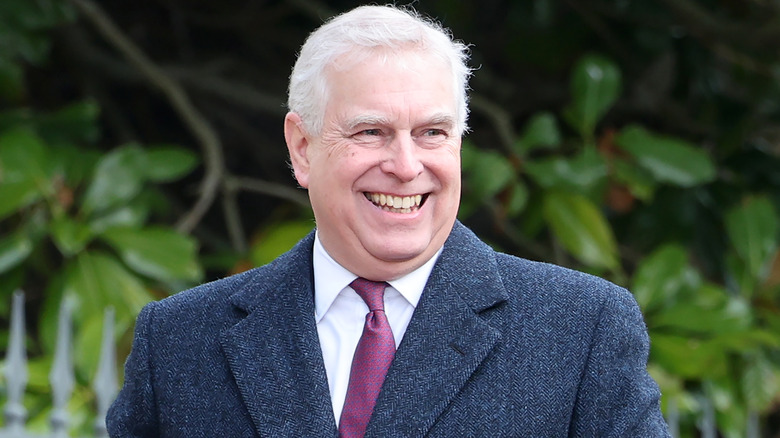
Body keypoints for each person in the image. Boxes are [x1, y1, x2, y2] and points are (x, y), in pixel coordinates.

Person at [107, 5, 671, 437]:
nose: (405, 166)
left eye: (432, 133)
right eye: (370, 131)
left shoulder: (581, 329)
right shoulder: (180, 342)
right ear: (302, 148)